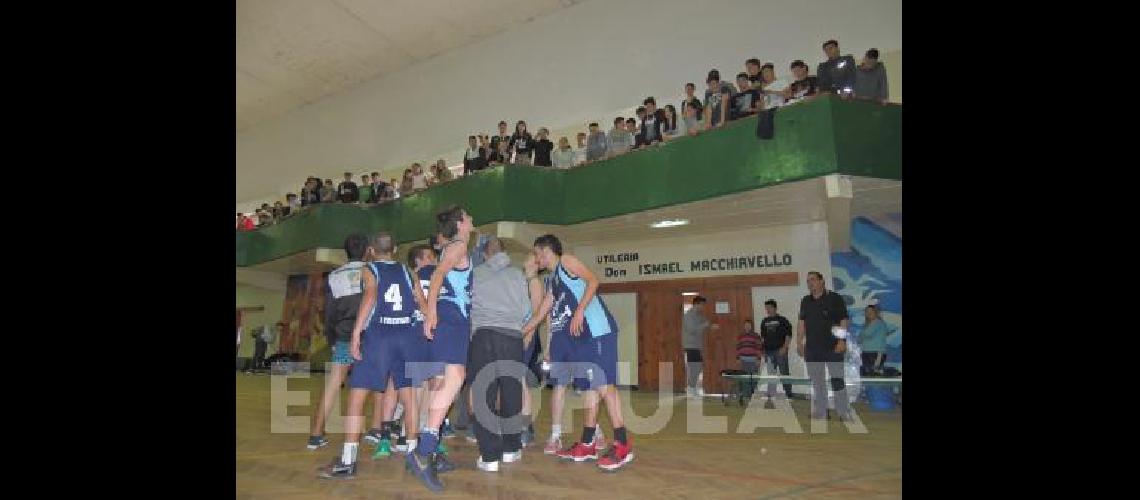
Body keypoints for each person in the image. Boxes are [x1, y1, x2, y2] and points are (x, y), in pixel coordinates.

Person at [318, 232, 430, 480]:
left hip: (380, 336)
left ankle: (348, 461)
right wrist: (429, 323)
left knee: (357, 396)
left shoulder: (370, 270)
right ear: (396, 249)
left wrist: (357, 332)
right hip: (406, 337)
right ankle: (413, 456)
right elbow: (421, 302)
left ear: (371, 250)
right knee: (408, 396)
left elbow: (370, 296)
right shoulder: (406, 271)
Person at [521, 234, 632, 470]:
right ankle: (588, 441)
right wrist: (518, 333)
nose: (535, 258)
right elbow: (541, 313)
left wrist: (580, 310)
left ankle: (623, 444)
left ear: (545, 250)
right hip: (582, 339)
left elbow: (593, 280)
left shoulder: (566, 262)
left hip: (598, 331)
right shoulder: (552, 281)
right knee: (590, 389)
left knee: (604, 385)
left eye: (536, 253)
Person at [407, 206, 476, 492]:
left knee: (444, 384)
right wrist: (431, 313)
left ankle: (428, 450)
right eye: (468, 216)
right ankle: (423, 451)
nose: (472, 219)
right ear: (460, 224)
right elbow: (437, 277)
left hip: (453, 320)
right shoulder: (458, 246)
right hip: (450, 320)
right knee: (455, 378)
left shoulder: (454, 246)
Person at [467, 238, 544, 472]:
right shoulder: (517, 275)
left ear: (485, 254)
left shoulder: (475, 273)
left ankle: (489, 457)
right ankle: (511, 449)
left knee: (484, 394)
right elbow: (525, 309)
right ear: (504, 253)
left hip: (482, 335)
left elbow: (467, 305)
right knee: (512, 391)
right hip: (512, 336)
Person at [308, 233, 370, 450]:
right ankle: (378, 432)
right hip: (369, 338)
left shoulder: (335, 275)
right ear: (367, 250)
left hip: (343, 336)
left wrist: (332, 338)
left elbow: (329, 313)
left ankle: (315, 434)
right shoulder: (373, 272)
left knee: (333, 384)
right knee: (375, 386)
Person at [796, 271, 851, 421]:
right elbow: (801, 323)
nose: (810, 283)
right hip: (813, 349)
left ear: (822, 281)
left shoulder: (835, 298)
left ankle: (842, 412)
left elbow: (843, 321)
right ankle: (821, 411)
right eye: (808, 281)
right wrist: (799, 342)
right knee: (817, 382)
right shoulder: (805, 301)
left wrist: (841, 341)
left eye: (813, 280)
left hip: (833, 347)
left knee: (837, 380)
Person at [759, 299, 795, 401]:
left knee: (784, 372)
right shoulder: (764, 321)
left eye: (769, 308)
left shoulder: (782, 320)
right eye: (766, 308)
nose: (767, 310)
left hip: (780, 351)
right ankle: (771, 394)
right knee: (770, 374)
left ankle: (788, 395)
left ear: (774, 308)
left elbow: (788, 335)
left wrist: (785, 347)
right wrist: (763, 350)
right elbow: (763, 338)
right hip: (768, 351)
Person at [681, 296, 716, 397]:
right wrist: (704, 325)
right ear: (697, 304)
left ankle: (692, 387)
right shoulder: (688, 315)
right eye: (702, 305)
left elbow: (706, 322)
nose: (703, 307)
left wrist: (710, 326)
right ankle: (691, 388)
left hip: (696, 345)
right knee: (695, 366)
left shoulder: (699, 315)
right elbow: (692, 329)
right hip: (690, 345)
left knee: (697, 366)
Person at [858, 304, 894, 375]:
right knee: (868, 374)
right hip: (866, 352)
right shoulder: (866, 325)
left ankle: (891, 372)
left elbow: (866, 334)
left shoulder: (879, 323)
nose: (868, 313)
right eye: (866, 311)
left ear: (876, 312)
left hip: (876, 353)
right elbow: (860, 338)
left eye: (871, 311)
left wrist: (862, 336)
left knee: (875, 373)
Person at [736, 319, 762, 402]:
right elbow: (738, 348)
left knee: (753, 378)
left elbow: (759, 348)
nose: (747, 326)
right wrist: (738, 358)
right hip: (743, 361)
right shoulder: (740, 336)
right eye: (746, 325)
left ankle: (754, 396)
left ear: (751, 326)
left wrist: (758, 359)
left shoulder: (756, 336)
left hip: (753, 361)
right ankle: (746, 395)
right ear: (744, 326)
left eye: (749, 325)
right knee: (744, 379)